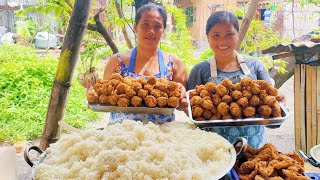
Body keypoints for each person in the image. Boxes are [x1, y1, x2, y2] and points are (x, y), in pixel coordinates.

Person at [187, 11, 284, 148]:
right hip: (213, 150)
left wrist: (278, 103)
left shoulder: (255, 65)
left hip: (254, 147)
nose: (222, 41)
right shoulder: (200, 70)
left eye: (229, 35)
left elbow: (273, 116)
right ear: (208, 38)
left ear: (238, 35)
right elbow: (192, 114)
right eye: (216, 35)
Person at [101, 3, 188, 124]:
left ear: (163, 30)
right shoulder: (116, 61)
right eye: (145, 24)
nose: (151, 31)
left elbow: (179, 105)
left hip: (163, 137)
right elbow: (103, 99)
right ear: (135, 27)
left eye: (157, 26)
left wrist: (182, 94)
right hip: (121, 135)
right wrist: (93, 95)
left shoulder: (174, 63)